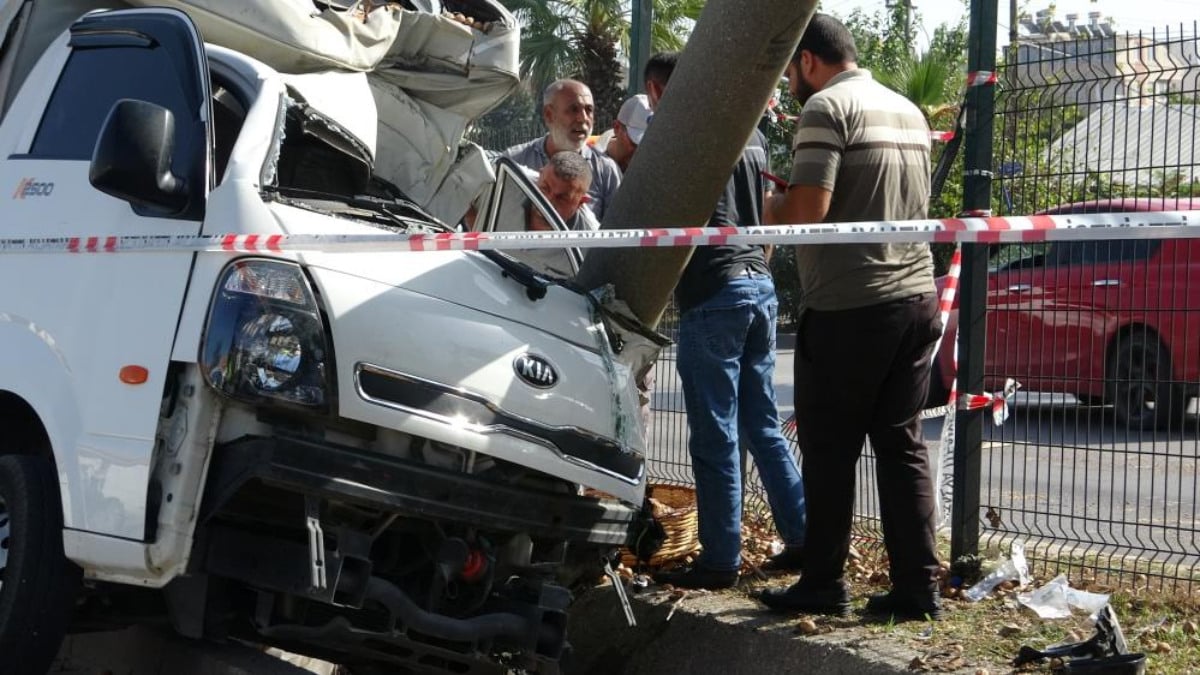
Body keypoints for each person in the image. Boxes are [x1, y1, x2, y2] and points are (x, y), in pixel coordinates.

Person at [758, 14, 943, 621]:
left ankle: (822, 584)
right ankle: (919, 590)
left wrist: (768, 203)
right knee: (901, 445)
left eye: (791, 70)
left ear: (808, 61)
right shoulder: (907, 109)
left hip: (850, 307)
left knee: (830, 449)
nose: (790, 82)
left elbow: (810, 208)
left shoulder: (825, 108)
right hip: (916, 299)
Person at [648, 51, 808, 591]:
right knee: (762, 426)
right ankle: (804, 537)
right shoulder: (749, 129)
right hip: (757, 286)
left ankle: (720, 560)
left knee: (715, 436)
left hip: (714, 291)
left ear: (656, 93)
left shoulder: (687, 133)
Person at [502, 79, 621, 220]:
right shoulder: (514, 162)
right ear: (549, 114)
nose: (583, 118)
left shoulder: (606, 170)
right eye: (573, 109)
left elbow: (617, 231)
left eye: (589, 110)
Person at [527, 151, 598, 232]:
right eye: (544, 189)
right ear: (540, 175)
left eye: (562, 198)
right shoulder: (514, 179)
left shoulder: (590, 237)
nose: (547, 203)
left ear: (580, 202)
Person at [601, 94, 652, 173]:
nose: (639, 152)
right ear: (617, 127)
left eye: (646, 146)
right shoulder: (591, 164)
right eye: (634, 144)